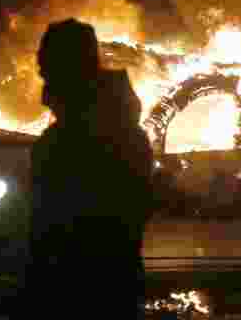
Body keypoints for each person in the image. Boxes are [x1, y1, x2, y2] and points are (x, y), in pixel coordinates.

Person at [18, 19, 154, 319]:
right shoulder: (112, 130)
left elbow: (71, 227)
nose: (40, 71)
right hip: (99, 288)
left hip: (86, 293)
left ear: (70, 66)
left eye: (47, 62)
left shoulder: (87, 139)